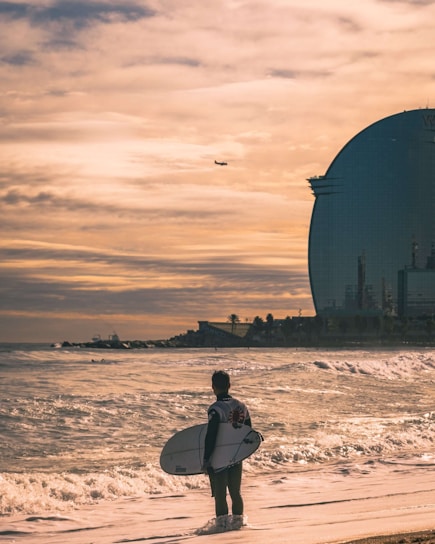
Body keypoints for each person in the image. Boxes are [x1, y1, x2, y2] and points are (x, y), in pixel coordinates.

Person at [202, 370, 251, 529]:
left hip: (219, 457)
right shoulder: (242, 406)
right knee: (236, 493)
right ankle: (238, 524)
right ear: (229, 385)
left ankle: (222, 527)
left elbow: (211, 435)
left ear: (213, 387)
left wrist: (206, 459)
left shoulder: (215, 409)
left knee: (220, 495)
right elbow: (248, 431)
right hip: (236, 455)